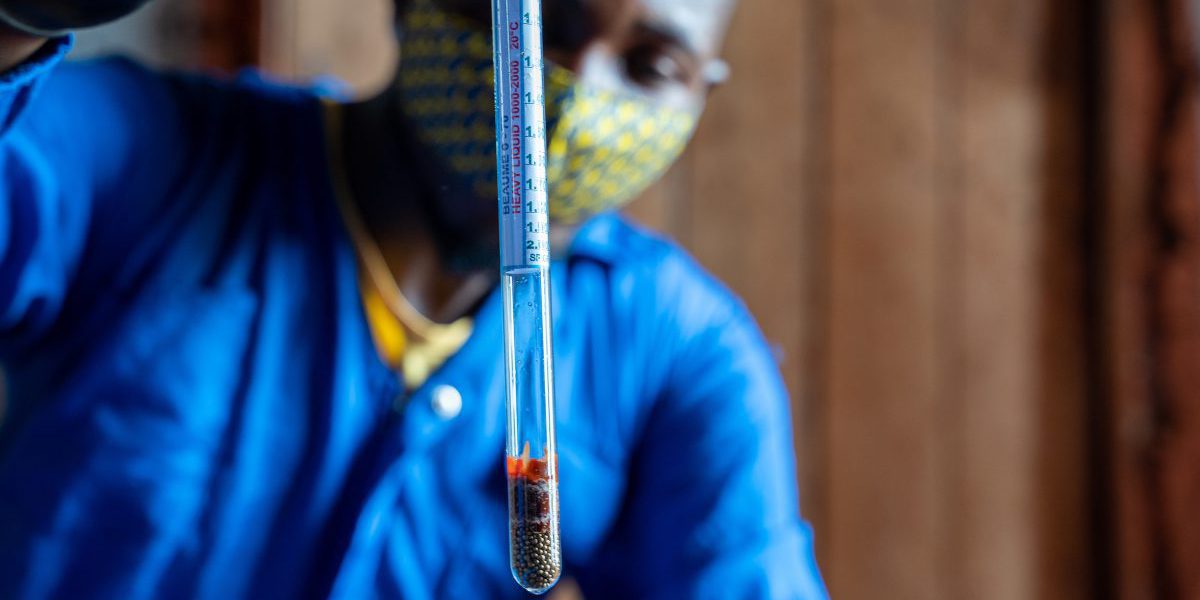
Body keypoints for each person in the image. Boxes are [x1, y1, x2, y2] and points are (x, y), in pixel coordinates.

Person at [0, 0, 827, 597]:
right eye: (544, 23)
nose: (572, 95)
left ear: (699, 99)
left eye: (651, 67)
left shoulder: (673, 358)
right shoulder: (153, 160)